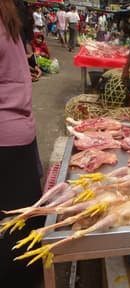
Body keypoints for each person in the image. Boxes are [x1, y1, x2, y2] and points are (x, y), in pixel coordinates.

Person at [0, 0, 45, 287]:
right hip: (19, 134)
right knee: (23, 221)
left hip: (7, 138)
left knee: (13, 227)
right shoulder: (8, 13)